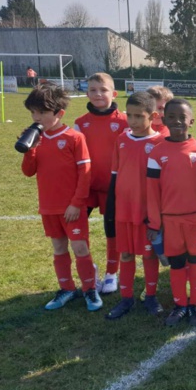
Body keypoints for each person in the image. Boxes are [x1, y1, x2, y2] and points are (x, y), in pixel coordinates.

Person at [20, 83, 102, 311]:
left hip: (72, 208)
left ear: (60, 113)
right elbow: (28, 171)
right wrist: (30, 149)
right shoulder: (36, 138)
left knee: (80, 248)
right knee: (58, 248)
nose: (36, 117)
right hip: (48, 207)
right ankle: (66, 288)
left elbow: (85, 174)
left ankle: (90, 289)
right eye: (33, 112)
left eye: (42, 112)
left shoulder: (75, 138)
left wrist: (76, 204)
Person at [146, 99, 196, 327]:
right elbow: (152, 192)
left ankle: (195, 303)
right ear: (164, 120)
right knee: (176, 263)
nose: (177, 121)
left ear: (191, 121)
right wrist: (155, 223)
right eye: (171, 117)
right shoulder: (157, 153)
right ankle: (179, 305)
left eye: (182, 117)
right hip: (171, 221)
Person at [103, 92, 165, 320]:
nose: (133, 121)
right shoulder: (122, 139)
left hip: (147, 211)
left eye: (139, 116)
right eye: (129, 115)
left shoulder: (160, 142)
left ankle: (151, 296)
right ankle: (126, 298)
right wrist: (111, 208)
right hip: (124, 210)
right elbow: (115, 174)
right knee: (126, 254)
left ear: (153, 116)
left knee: (149, 255)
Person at [75, 73, 127, 295]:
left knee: (112, 232)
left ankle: (111, 273)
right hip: (85, 187)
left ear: (113, 93)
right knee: (78, 232)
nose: (98, 94)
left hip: (113, 188)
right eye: (93, 90)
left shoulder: (125, 122)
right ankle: (89, 271)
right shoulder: (80, 123)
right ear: (87, 94)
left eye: (103, 90)